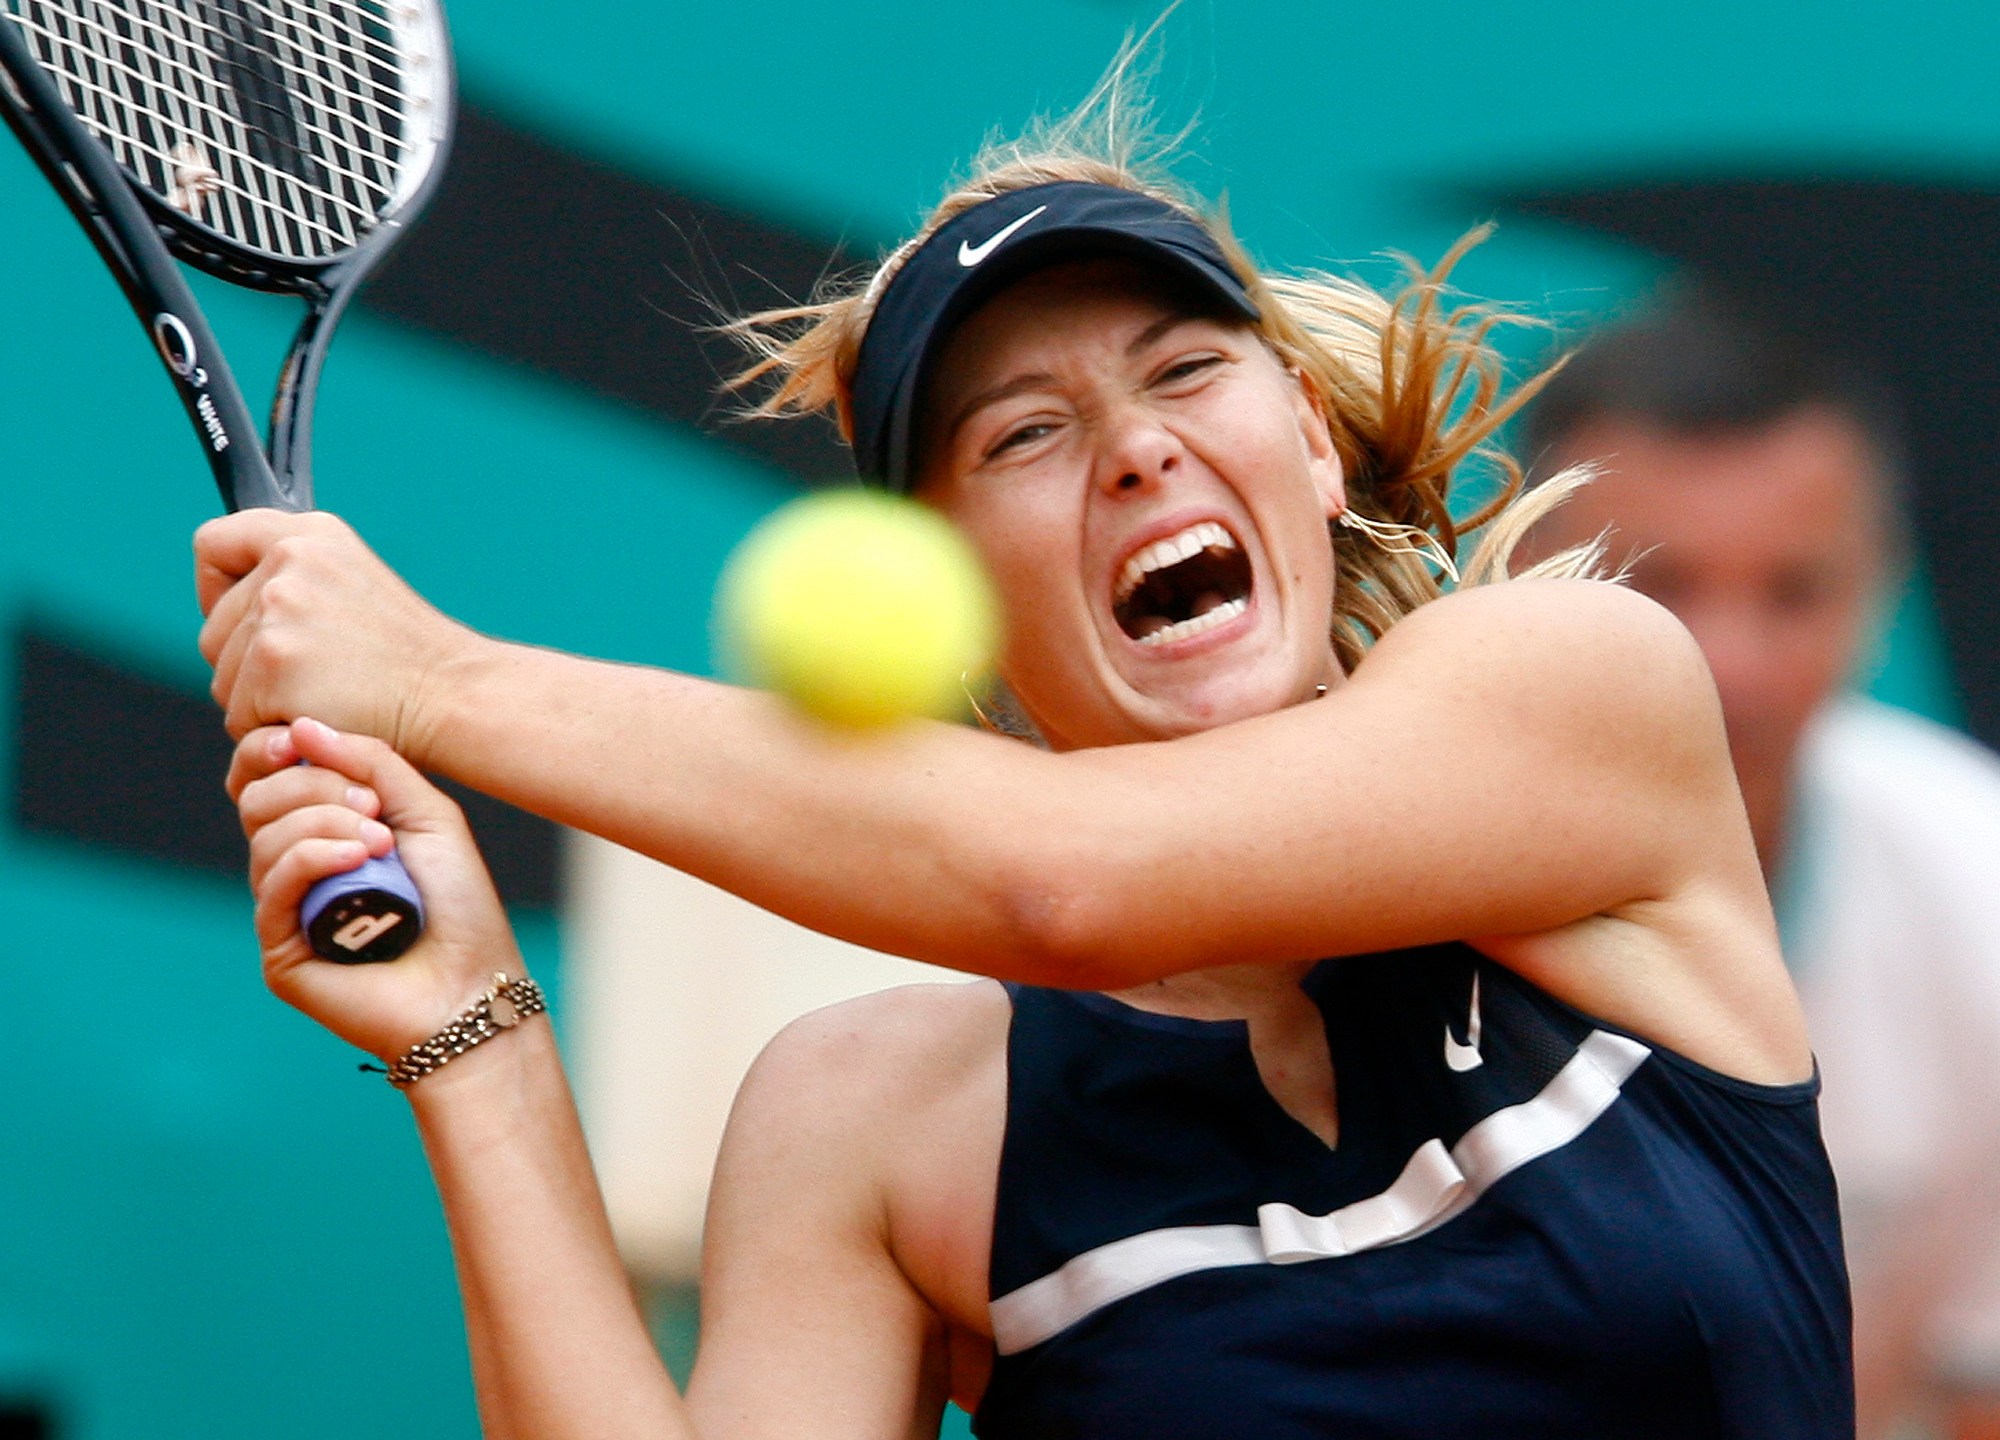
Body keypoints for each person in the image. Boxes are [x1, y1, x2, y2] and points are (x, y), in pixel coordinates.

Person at [196, 80, 1852, 1439]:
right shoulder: (880, 1122)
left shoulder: (1581, 691)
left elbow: (1066, 883)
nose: (1136, 449)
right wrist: (475, 1050)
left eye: (1187, 368)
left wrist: (438, 682)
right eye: (1026, 434)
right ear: (957, 600)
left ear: (1317, 451)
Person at [1519, 294, 2000, 1440]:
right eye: (1656, 585)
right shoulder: (1335, 914)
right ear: (1507, 566)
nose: (1724, 666)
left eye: (1793, 590)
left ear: (1882, 586)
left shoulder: (1979, 879)